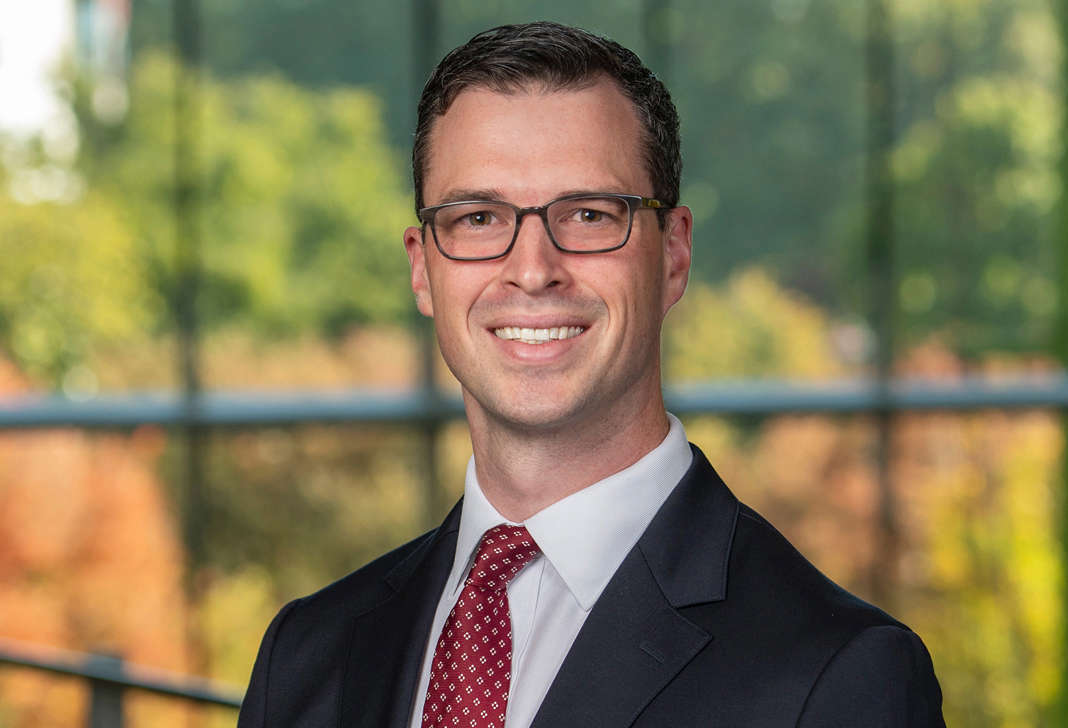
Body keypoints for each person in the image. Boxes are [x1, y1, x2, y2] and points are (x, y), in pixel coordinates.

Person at [238, 21, 945, 728]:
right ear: (422, 268)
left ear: (673, 254)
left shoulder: (840, 675)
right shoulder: (304, 657)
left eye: (588, 214)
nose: (532, 270)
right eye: (479, 218)